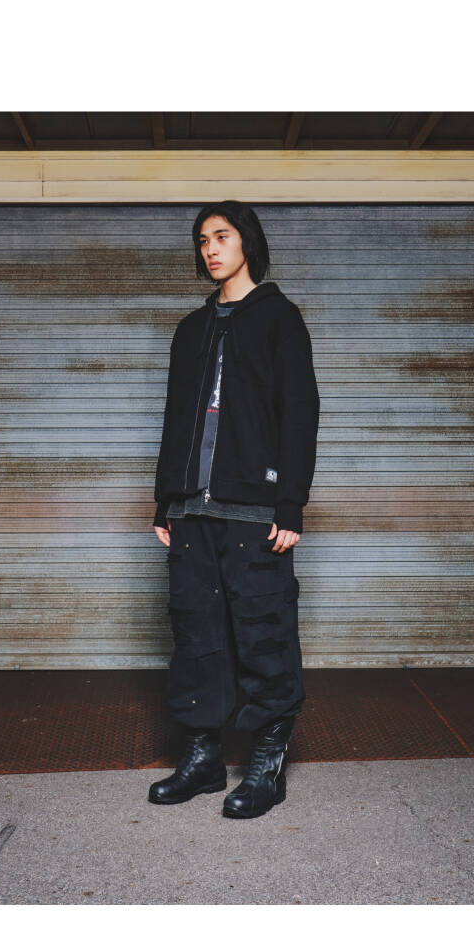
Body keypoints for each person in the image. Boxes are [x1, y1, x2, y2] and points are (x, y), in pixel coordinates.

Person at [149, 198, 319, 822]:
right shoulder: (190, 329)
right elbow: (174, 420)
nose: (211, 249)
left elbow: (300, 415)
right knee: (196, 635)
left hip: (253, 510)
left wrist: (290, 505)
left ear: (247, 241)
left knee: (263, 632)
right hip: (191, 510)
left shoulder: (280, 319)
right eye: (202, 240)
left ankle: (267, 766)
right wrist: (165, 499)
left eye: (222, 236)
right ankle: (202, 760)